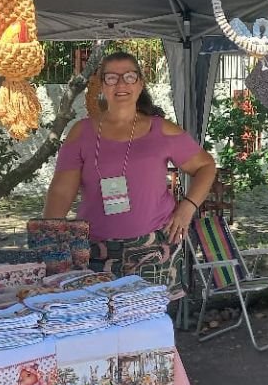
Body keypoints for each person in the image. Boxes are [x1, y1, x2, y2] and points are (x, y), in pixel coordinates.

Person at [43, 51, 216, 287]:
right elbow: (61, 193)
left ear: (140, 83)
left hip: (154, 249)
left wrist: (187, 208)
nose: (121, 84)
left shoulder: (162, 130)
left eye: (129, 77)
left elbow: (206, 166)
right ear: (102, 85)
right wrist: (50, 245)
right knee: (96, 309)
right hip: (95, 250)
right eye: (112, 78)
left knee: (151, 311)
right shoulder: (81, 132)